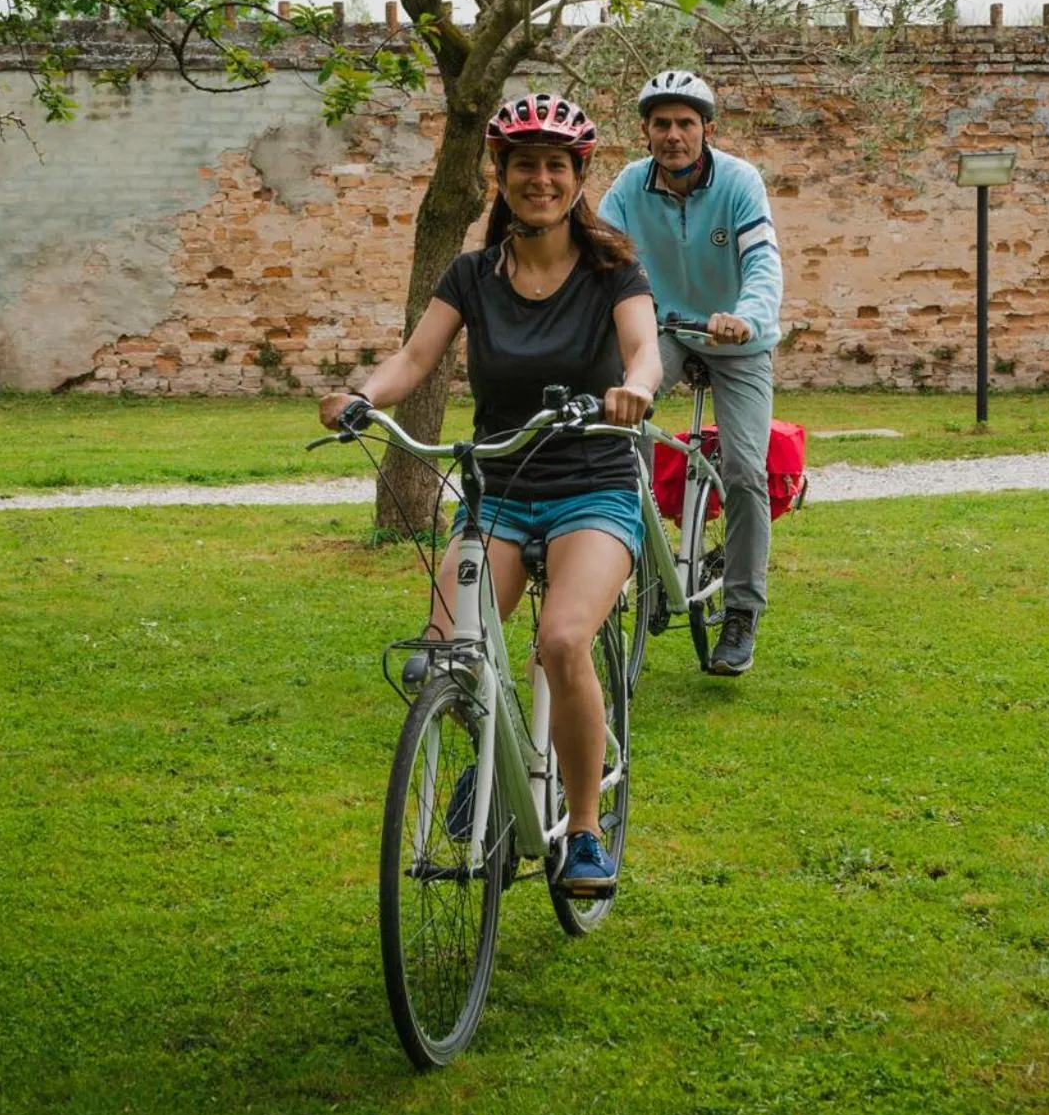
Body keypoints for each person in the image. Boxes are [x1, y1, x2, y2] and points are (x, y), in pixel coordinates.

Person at [319, 93, 661, 896]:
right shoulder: (473, 274)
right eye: (523, 166)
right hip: (500, 489)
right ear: (499, 178)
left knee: (564, 641)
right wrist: (364, 395)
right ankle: (498, 775)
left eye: (555, 166)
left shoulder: (615, 270)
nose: (539, 179)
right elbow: (413, 358)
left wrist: (635, 391)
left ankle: (581, 831)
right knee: (444, 653)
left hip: (591, 486)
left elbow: (643, 349)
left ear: (578, 177)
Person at [597, 69, 783, 676]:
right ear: (646, 132)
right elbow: (597, 258)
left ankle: (741, 611)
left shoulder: (738, 181)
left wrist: (747, 318)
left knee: (744, 469)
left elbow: (762, 263)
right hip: (665, 332)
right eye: (661, 124)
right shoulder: (628, 187)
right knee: (620, 422)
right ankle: (640, 552)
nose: (673, 135)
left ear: (707, 128)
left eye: (685, 123)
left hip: (737, 338)